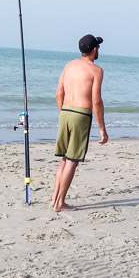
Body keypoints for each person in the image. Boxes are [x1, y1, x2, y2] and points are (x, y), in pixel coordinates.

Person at [52, 34, 109, 212]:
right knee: (72, 160)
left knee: (64, 158)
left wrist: (63, 114)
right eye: (98, 47)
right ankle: (60, 204)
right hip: (81, 114)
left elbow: (58, 94)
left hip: (65, 112)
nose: (98, 49)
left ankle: (55, 198)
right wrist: (102, 130)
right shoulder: (96, 70)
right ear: (94, 49)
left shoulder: (68, 66)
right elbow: (96, 102)